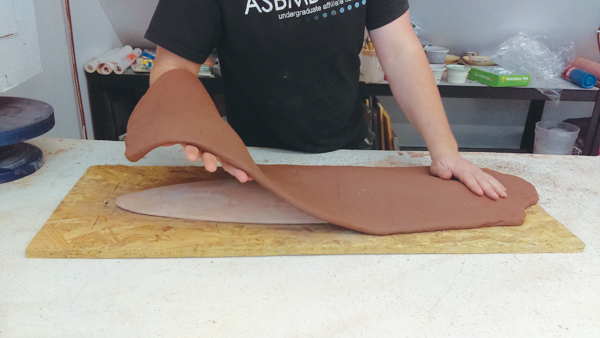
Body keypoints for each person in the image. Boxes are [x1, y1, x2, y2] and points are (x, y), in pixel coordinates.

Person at [145, 0, 507, 200]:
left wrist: (445, 151)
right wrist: (196, 123)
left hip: (347, 152)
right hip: (252, 161)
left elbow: (399, 51)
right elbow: (173, 63)